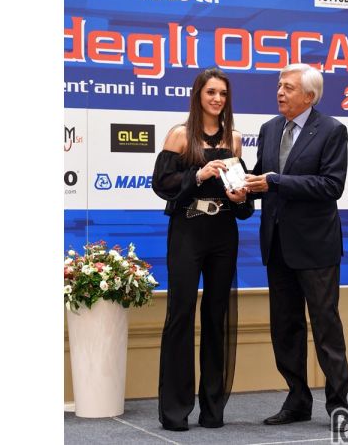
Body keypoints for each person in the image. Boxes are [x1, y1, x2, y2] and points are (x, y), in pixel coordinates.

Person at [244, 63, 348, 429]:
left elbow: (331, 186)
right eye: (279, 85)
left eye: (288, 87)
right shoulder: (269, 128)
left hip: (316, 248)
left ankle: (338, 405)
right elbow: (263, 178)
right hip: (277, 246)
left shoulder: (332, 130)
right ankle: (297, 399)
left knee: (326, 328)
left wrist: (275, 181)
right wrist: (243, 187)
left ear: (309, 95)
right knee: (285, 328)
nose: (279, 92)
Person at [152, 67, 254, 431]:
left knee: (216, 316)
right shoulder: (180, 135)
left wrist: (240, 197)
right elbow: (161, 184)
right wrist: (199, 174)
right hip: (187, 230)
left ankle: (213, 410)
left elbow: (244, 203)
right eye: (211, 92)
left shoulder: (234, 139)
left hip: (224, 233)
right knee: (180, 314)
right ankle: (175, 411)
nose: (217, 99)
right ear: (198, 95)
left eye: (223, 94)